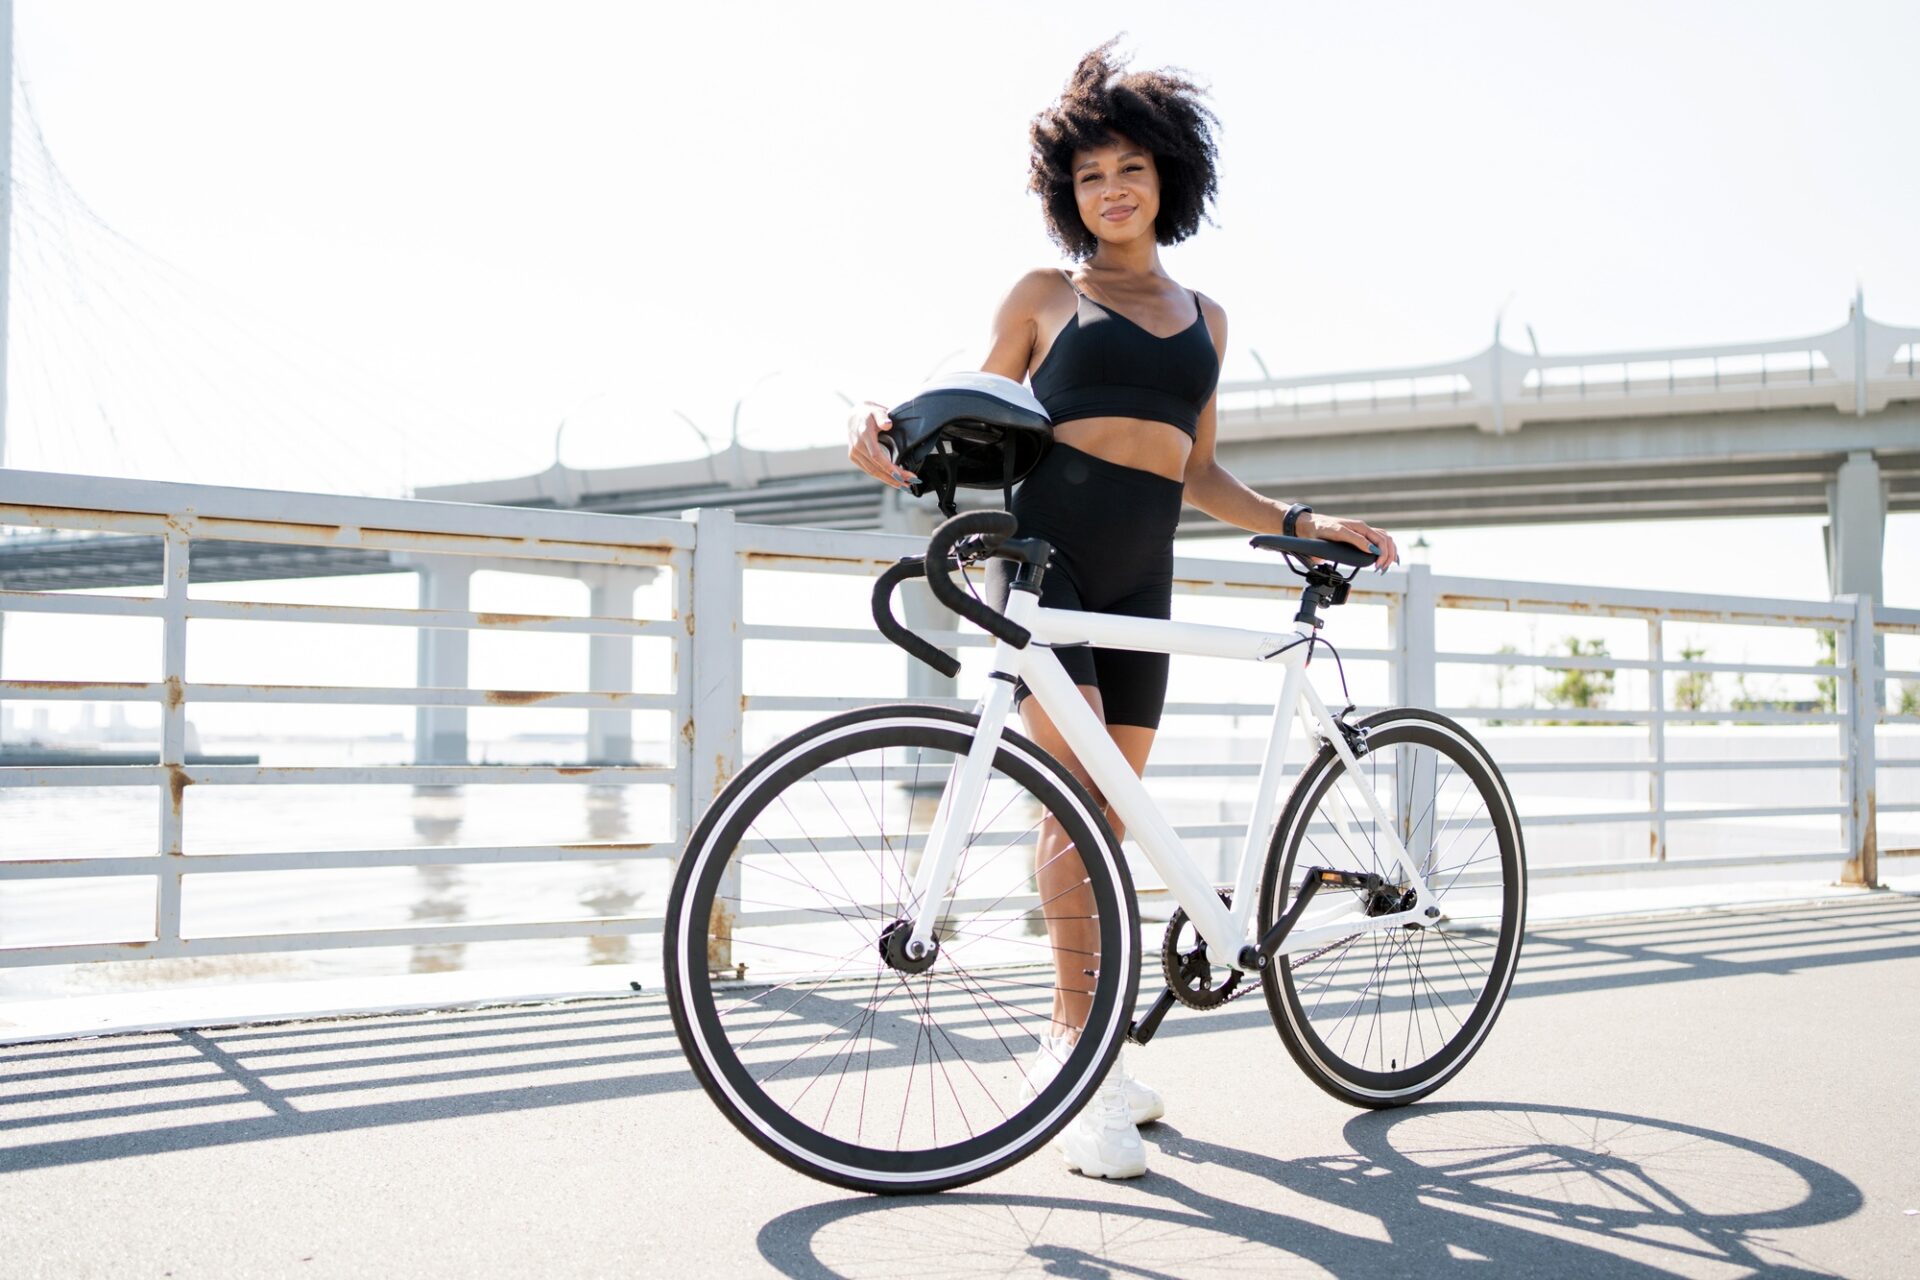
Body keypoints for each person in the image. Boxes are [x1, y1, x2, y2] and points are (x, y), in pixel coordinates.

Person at [846, 40, 1400, 1179]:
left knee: (1114, 808)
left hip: (1146, 578)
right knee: (1075, 801)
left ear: (1167, 180)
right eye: (1091, 173)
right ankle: (1075, 1053)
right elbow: (962, 400)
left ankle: (1094, 1039)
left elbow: (1201, 474)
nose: (1113, 188)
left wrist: (1299, 520)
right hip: (1050, 567)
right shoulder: (1048, 295)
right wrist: (878, 420)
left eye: (1131, 168)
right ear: (1069, 193)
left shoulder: (1207, 316)